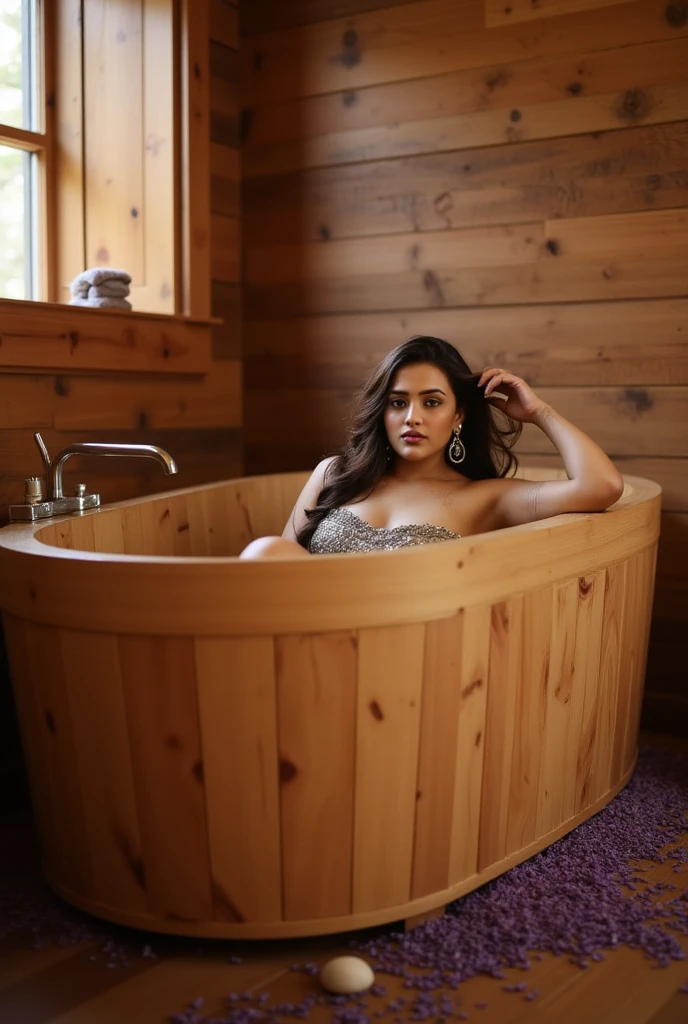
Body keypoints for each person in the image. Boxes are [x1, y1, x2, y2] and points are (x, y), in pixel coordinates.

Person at [239, 336, 624, 559]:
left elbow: (602, 486)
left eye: (432, 402)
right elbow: (279, 569)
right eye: (398, 402)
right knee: (265, 551)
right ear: (383, 411)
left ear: (459, 415)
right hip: (304, 637)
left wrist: (540, 412)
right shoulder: (335, 473)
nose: (412, 417)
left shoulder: (486, 498)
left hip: (411, 656)